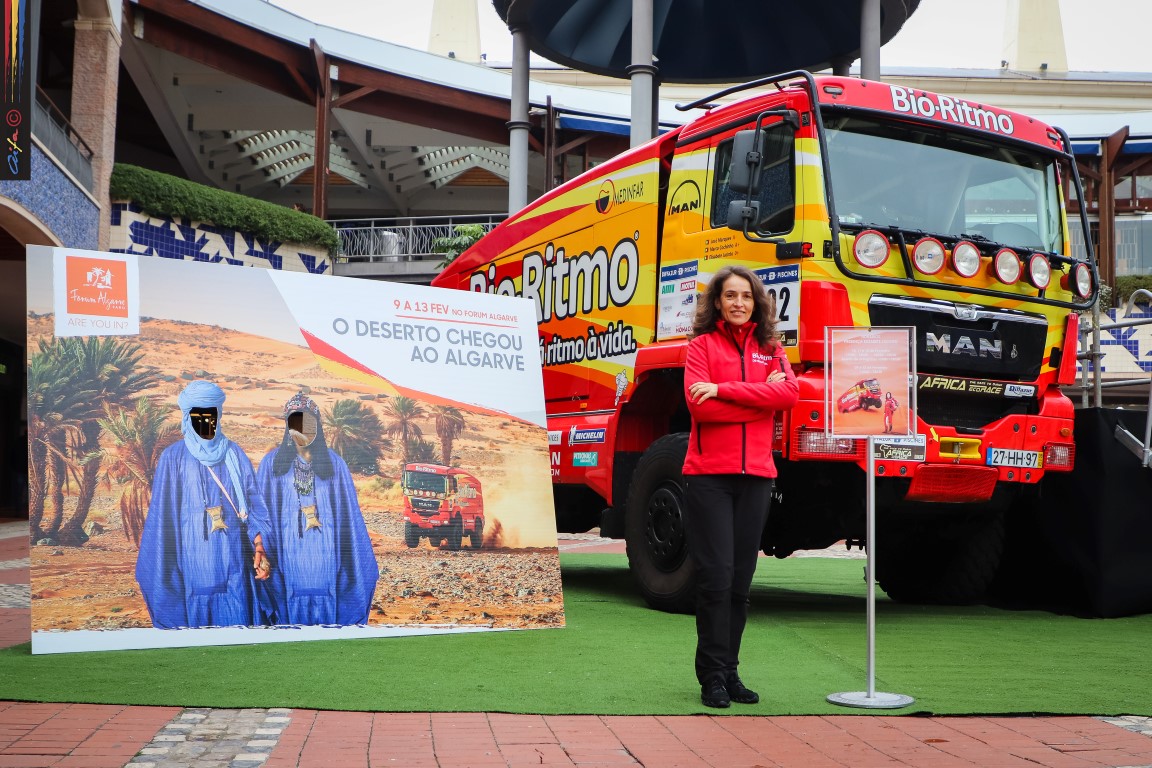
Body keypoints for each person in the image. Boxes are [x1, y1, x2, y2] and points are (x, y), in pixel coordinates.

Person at [683, 265, 799, 708]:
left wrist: (726, 389)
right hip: (709, 476)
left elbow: (789, 396)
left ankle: (730, 672)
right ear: (717, 302)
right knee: (715, 578)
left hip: (757, 477)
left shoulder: (772, 348)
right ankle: (711, 676)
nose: (738, 303)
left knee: (740, 582)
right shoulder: (700, 346)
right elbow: (701, 409)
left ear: (757, 302)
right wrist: (758, 398)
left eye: (746, 297)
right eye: (730, 295)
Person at [135, 380, 273, 629]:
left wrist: (260, 546)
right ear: (187, 418)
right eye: (199, 416)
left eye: (212, 415)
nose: (206, 422)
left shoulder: (235, 454)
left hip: (235, 570)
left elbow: (254, 507)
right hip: (193, 570)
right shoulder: (173, 458)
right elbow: (162, 520)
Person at [256, 392, 379, 626]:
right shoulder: (272, 465)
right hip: (288, 569)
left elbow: (349, 522)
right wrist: (262, 550)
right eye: (295, 421)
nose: (301, 428)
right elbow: (261, 516)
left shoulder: (336, 466)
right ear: (287, 428)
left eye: (307, 421)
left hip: (328, 571)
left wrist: (354, 567)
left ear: (318, 425)